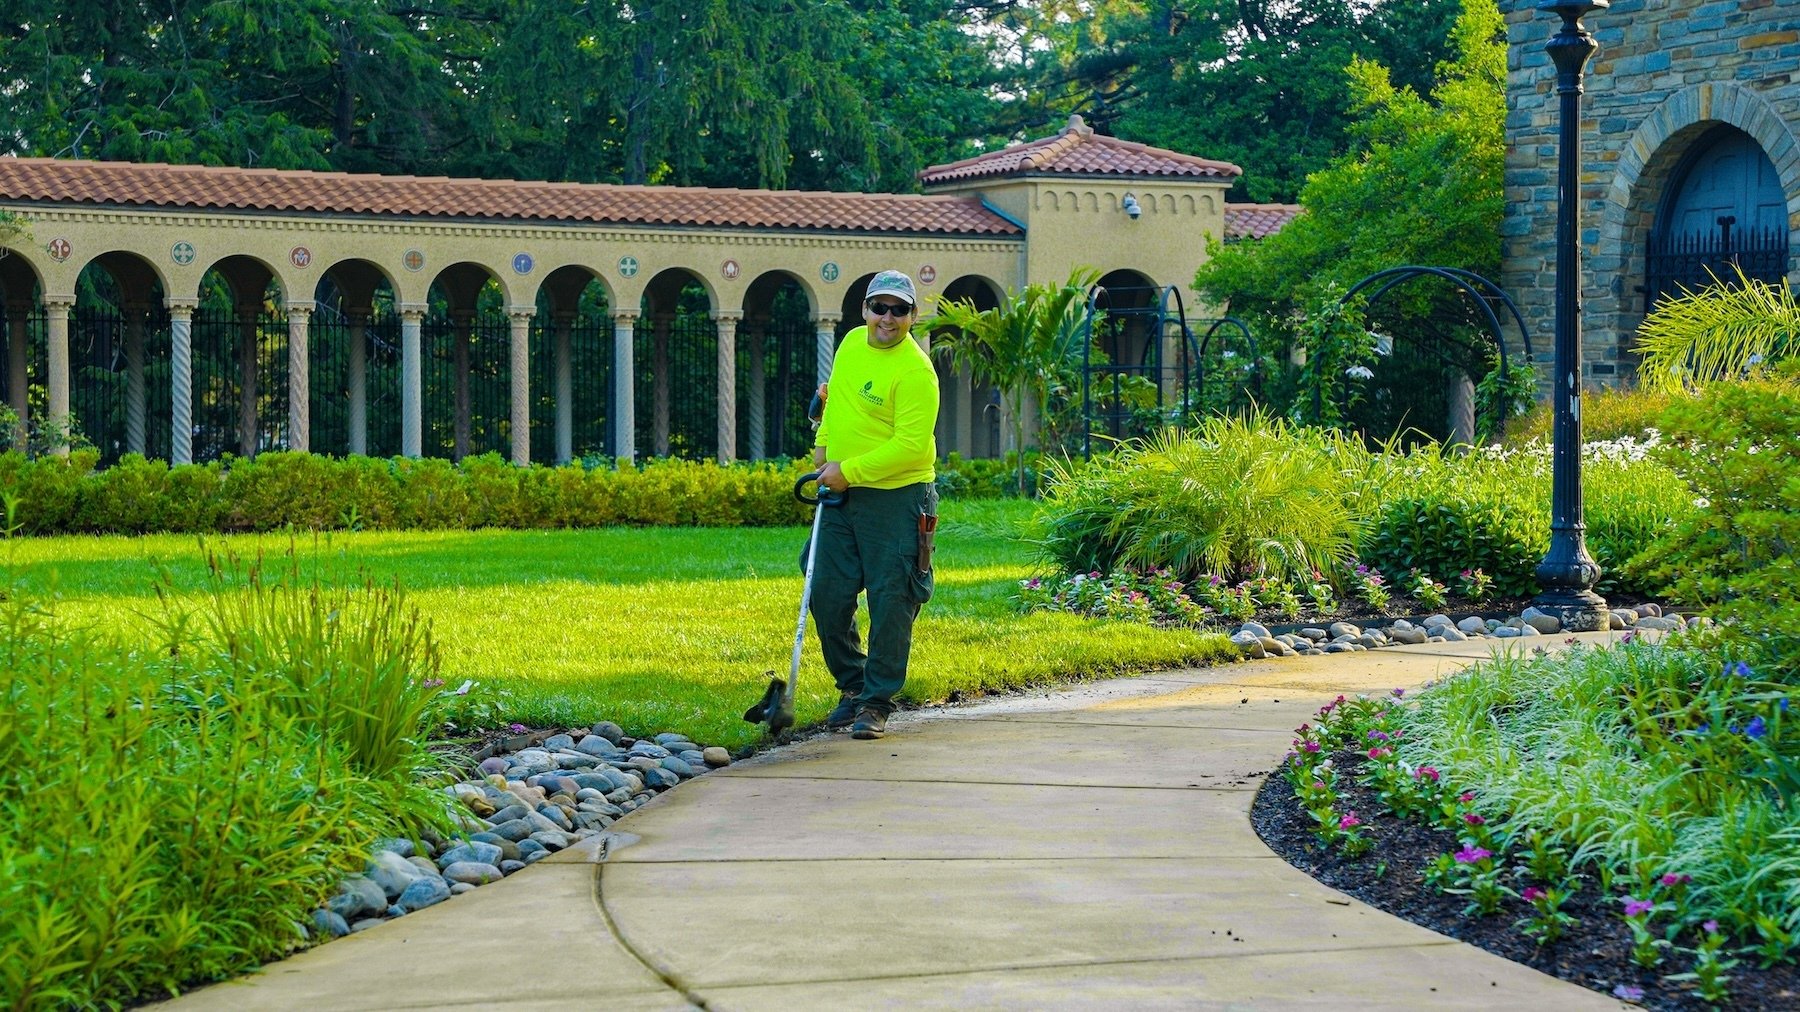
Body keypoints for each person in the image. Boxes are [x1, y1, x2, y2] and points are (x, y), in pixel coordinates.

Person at [810, 270, 940, 740]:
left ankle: (877, 700)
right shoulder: (849, 343)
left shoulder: (915, 372)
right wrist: (824, 453)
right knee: (824, 587)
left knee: (892, 599)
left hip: (899, 498)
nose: (888, 318)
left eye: (899, 310)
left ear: (912, 316)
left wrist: (850, 471)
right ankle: (853, 684)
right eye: (879, 308)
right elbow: (837, 403)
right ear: (864, 309)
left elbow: (911, 447)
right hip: (841, 489)